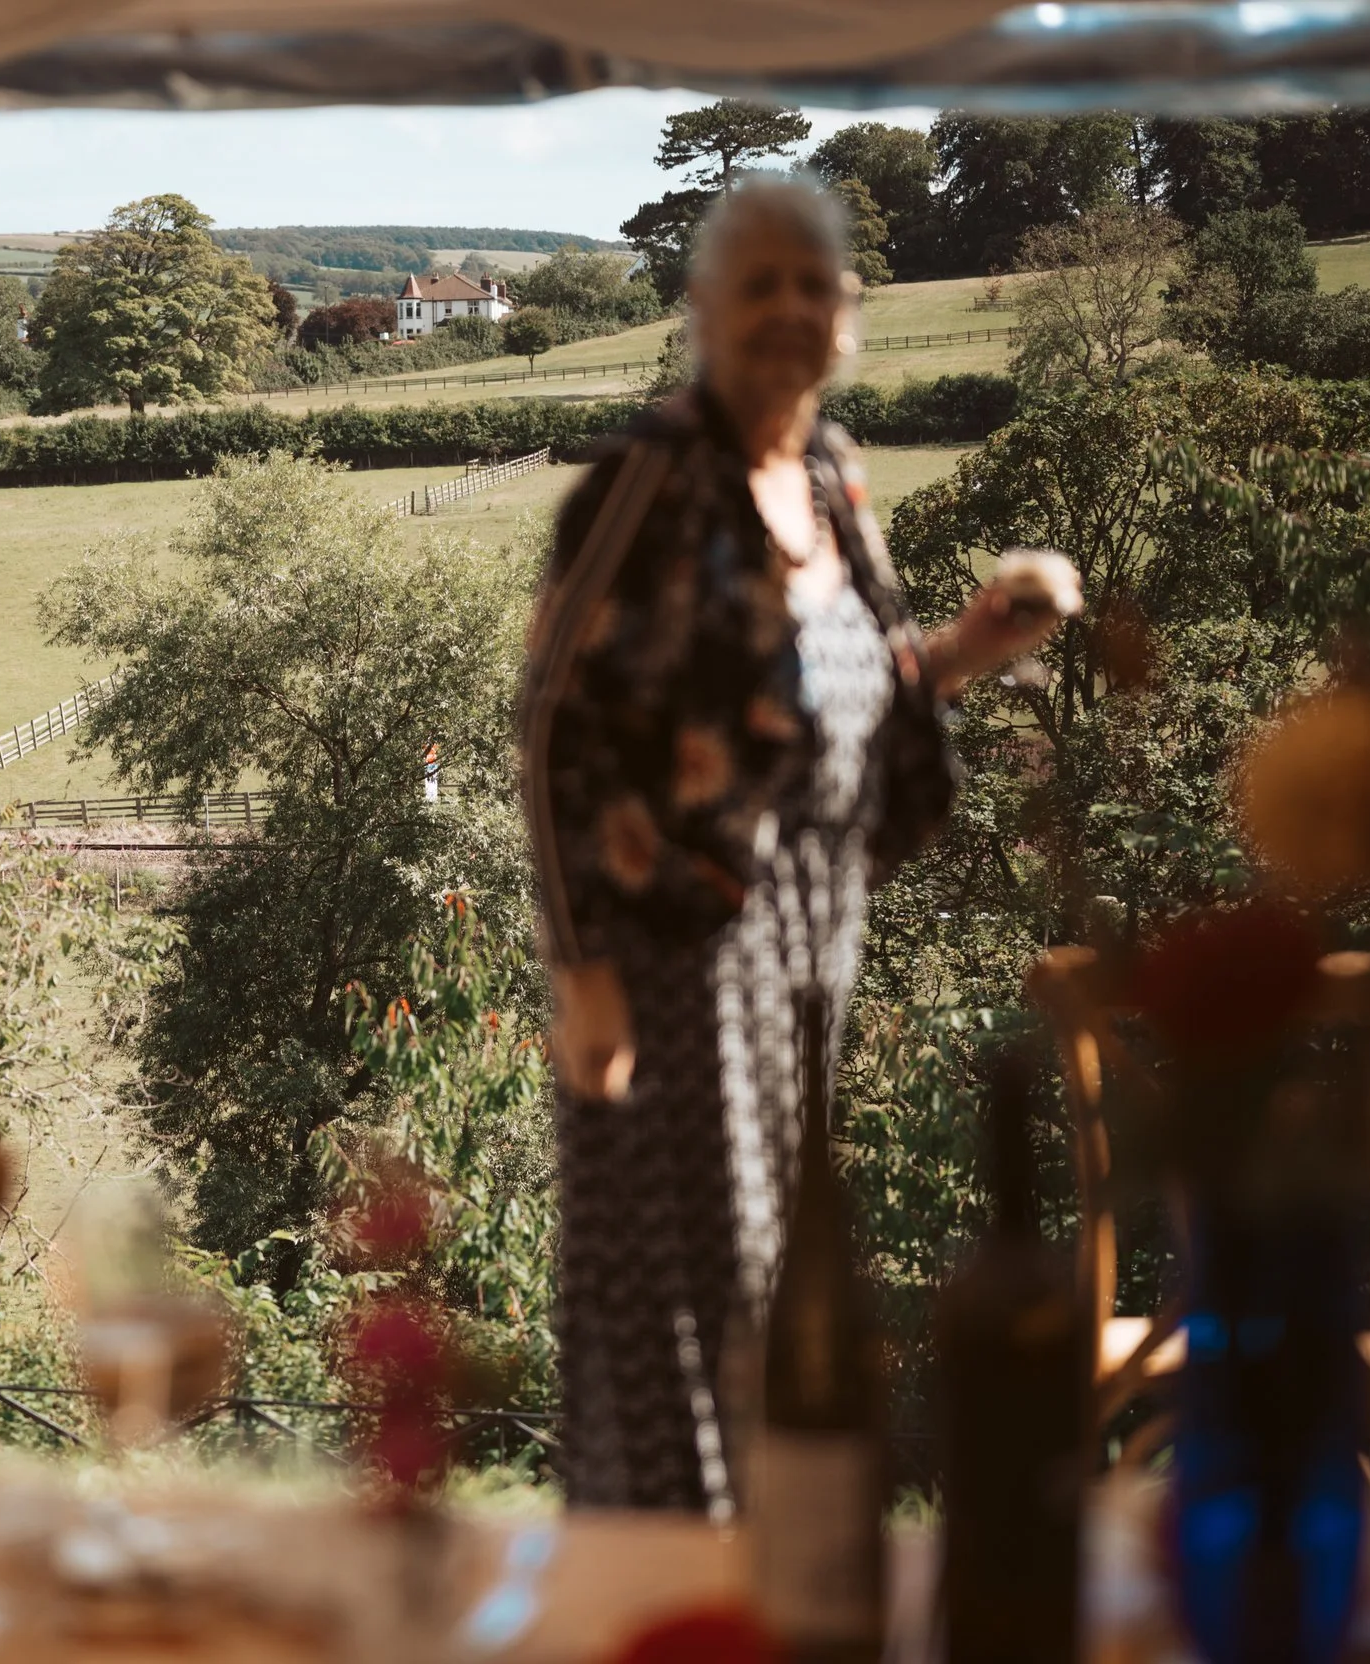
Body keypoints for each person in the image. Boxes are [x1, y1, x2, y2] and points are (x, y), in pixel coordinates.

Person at [522, 179, 1074, 1514]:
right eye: (756, 284)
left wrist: (972, 650)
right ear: (703, 311)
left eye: (811, 286)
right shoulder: (645, 484)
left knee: (780, 1271)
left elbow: (850, 702)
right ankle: (667, 1584)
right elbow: (549, 725)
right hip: (675, 955)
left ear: (849, 317)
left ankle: (763, 1574)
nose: (787, 311)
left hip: (815, 935)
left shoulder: (828, 480)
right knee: (689, 1280)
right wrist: (579, 965)